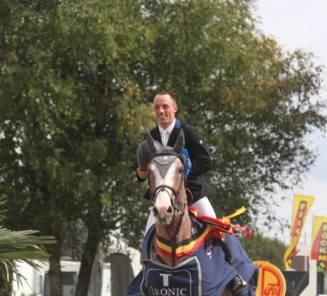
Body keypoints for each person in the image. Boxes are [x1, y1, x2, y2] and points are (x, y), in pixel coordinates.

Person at [136, 91, 246, 295]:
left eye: (165, 106)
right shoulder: (149, 137)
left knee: (217, 228)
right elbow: (144, 167)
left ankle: (232, 272)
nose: (161, 111)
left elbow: (206, 161)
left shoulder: (189, 132)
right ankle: (145, 275)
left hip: (193, 193)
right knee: (147, 235)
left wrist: (183, 176)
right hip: (163, 198)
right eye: (157, 107)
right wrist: (140, 173)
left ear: (174, 108)